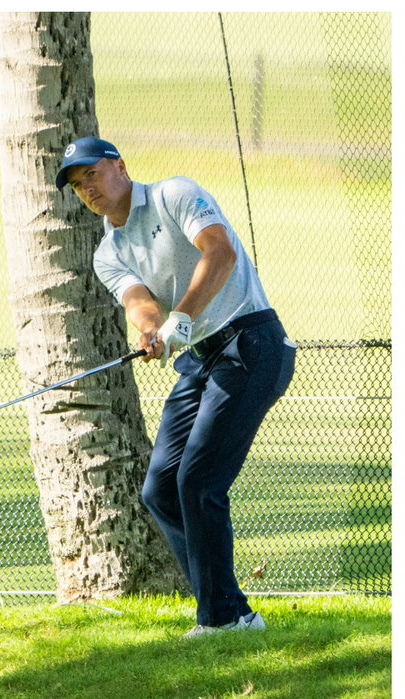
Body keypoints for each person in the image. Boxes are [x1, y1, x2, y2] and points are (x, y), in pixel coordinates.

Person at [57, 137, 296, 638]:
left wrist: (181, 320)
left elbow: (220, 251)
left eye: (92, 175)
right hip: (203, 359)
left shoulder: (175, 195)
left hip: (251, 342)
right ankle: (232, 610)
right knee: (162, 489)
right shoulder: (109, 251)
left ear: (120, 166)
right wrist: (152, 332)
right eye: (78, 186)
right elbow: (139, 301)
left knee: (200, 481)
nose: (88, 189)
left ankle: (221, 618)